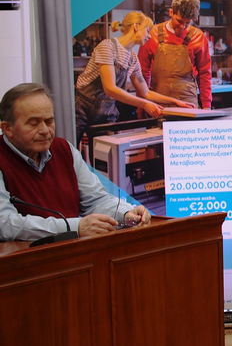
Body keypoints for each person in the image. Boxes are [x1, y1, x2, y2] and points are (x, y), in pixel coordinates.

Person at [0, 83, 151, 242]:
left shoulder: (64, 149)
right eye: (33, 123)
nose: (45, 130)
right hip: (29, 255)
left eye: (49, 121)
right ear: (8, 128)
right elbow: (5, 224)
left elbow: (95, 200)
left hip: (76, 251)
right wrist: (75, 227)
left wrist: (127, 214)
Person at [75, 11, 194, 142]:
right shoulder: (107, 47)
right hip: (82, 108)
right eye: (147, 31)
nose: (149, 36)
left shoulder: (132, 59)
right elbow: (110, 89)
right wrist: (144, 104)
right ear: (136, 27)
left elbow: (146, 92)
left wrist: (175, 102)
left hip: (105, 111)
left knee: (105, 152)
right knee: (68, 148)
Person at [139, 0, 213, 110]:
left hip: (188, 103)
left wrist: (206, 105)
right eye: (179, 21)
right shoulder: (153, 34)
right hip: (158, 103)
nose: (182, 27)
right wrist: (142, 104)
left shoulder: (198, 37)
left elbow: (205, 73)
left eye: (187, 23)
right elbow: (142, 72)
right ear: (171, 12)